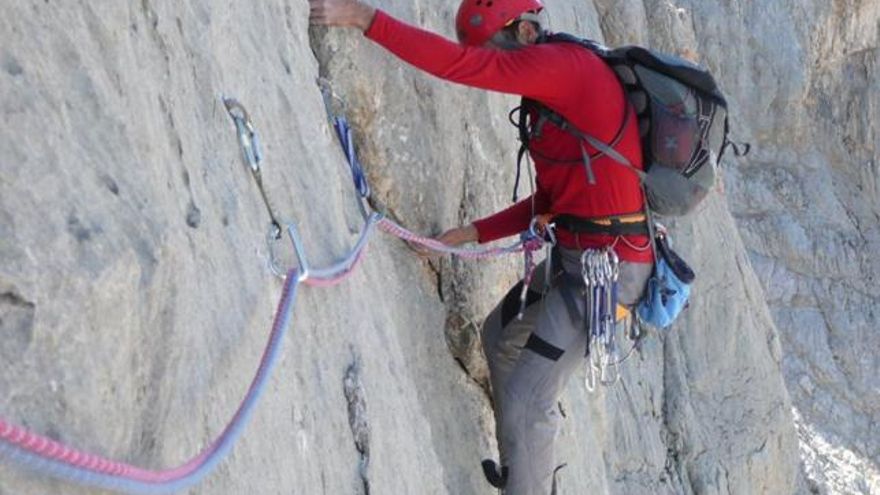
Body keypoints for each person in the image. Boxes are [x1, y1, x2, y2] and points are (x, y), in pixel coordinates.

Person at [310, 1, 653, 493]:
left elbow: (462, 66)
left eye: (495, 50)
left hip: (608, 275)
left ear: (526, 33)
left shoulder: (565, 68)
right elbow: (554, 199)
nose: (496, 66)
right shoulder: (549, 103)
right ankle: (523, 470)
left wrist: (367, 20)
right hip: (578, 258)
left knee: (530, 396)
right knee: (500, 336)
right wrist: (471, 233)